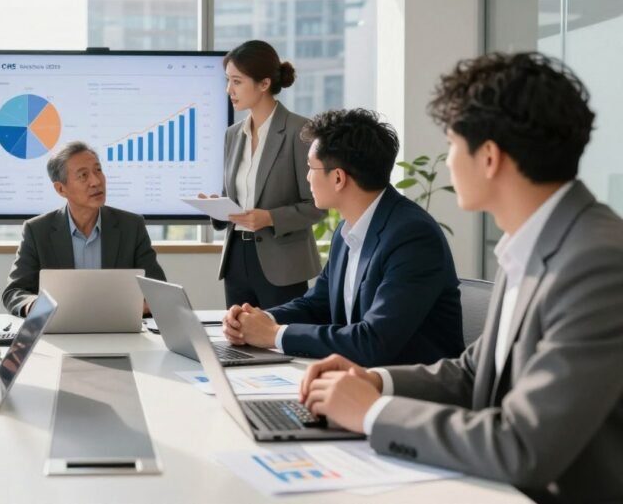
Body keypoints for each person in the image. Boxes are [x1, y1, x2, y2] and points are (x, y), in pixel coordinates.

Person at [299, 52, 623, 503]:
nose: (449, 162)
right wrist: (376, 382)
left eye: (452, 144)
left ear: (489, 157)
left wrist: (374, 413)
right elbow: (476, 373)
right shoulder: (536, 241)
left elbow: (524, 445)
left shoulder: (597, 262)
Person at [222, 109, 464, 366]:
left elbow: (373, 341)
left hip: (407, 392)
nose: (307, 177)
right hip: (357, 377)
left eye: (310, 168)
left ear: (338, 178)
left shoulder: (412, 236)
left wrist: (274, 335)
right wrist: (259, 320)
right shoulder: (348, 229)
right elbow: (318, 303)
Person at [207, 40, 325, 309]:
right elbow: (233, 196)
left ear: (263, 83)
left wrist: (270, 217)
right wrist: (217, 207)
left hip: (282, 263)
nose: (229, 90)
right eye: (228, 81)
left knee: (280, 343)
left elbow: (317, 206)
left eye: (237, 81)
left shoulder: (301, 130)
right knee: (239, 341)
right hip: (236, 257)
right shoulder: (233, 134)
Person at [3, 141, 166, 317]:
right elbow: (14, 292)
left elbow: (158, 290)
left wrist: (143, 305)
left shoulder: (131, 226)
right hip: (61, 332)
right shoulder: (37, 230)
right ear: (60, 188)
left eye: (98, 170)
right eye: (83, 175)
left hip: (119, 330)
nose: (96, 181)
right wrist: (34, 306)